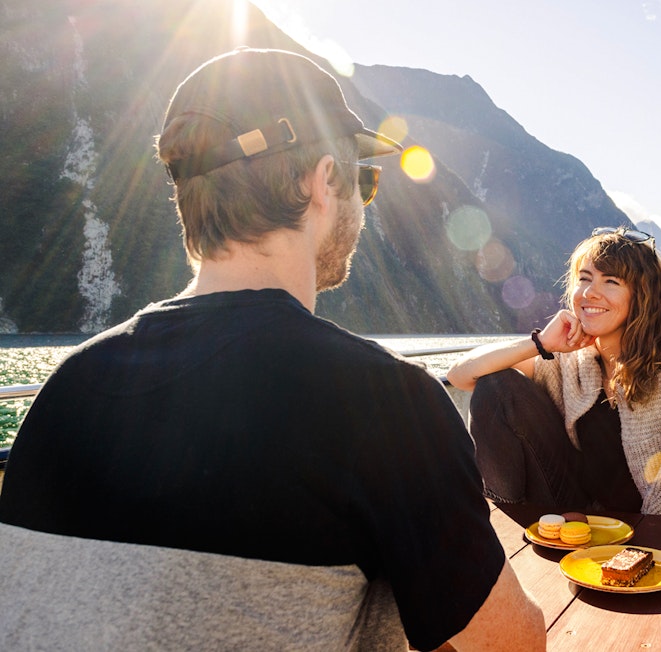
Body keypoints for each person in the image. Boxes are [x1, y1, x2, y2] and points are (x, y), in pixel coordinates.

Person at [0, 48, 544, 651]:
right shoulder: (387, 403)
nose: (363, 206)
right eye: (363, 180)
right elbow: (514, 645)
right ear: (323, 181)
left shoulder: (66, 389)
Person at [447, 227, 661, 521]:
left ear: (643, 295)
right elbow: (463, 376)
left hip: (659, 535)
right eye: (584, 278)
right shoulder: (570, 361)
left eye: (611, 281)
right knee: (498, 386)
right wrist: (540, 343)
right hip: (579, 521)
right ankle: (509, 526)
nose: (590, 293)